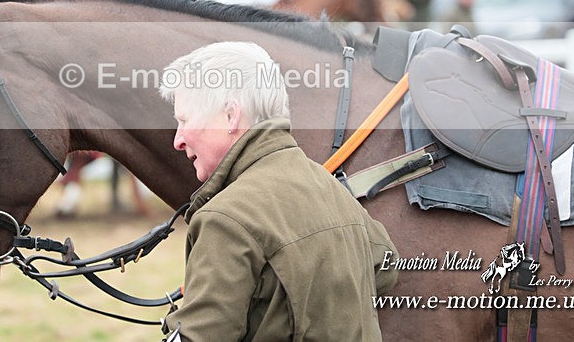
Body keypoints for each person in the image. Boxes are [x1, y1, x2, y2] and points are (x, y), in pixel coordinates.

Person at [158, 42, 398, 341]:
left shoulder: (225, 219)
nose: (178, 140)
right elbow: (386, 269)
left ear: (231, 116)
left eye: (184, 121)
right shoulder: (331, 189)